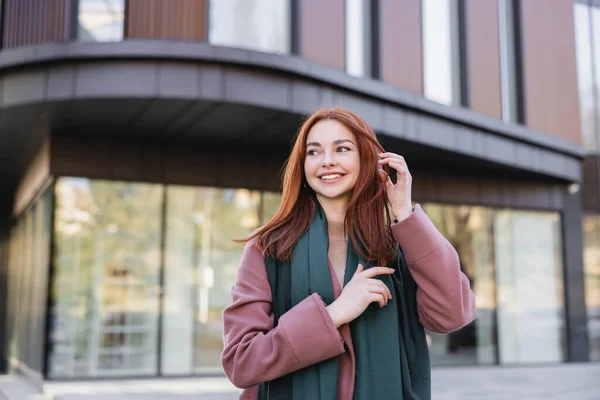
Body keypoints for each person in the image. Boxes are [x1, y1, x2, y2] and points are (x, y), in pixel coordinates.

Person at [221, 107, 476, 400]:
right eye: (314, 152)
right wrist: (333, 315)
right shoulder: (269, 247)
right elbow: (241, 362)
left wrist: (405, 212)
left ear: (365, 159)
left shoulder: (399, 243)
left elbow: (451, 315)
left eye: (342, 149)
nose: (327, 161)